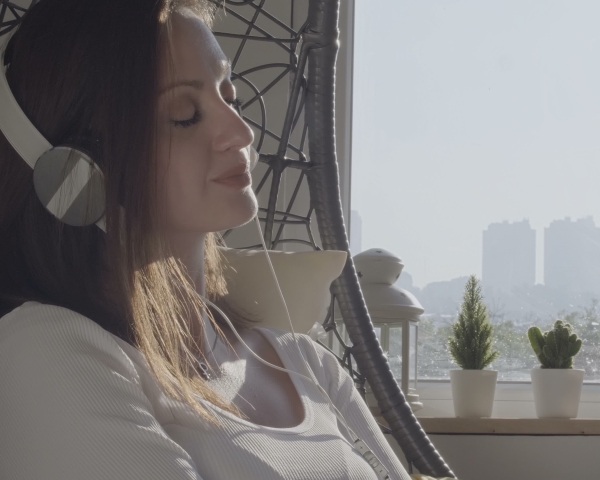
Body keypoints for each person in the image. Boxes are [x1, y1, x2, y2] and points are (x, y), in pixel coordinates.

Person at [0, 1, 409, 478]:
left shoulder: (307, 363)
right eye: (184, 114)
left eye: (229, 96)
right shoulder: (46, 355)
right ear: (76, 169)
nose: (240, 132)